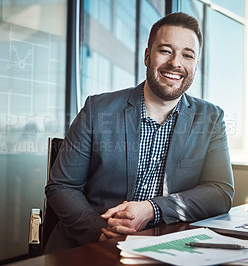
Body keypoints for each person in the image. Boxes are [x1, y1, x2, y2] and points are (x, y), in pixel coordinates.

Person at [44, 12, 234, 252]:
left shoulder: (211, 118)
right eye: (165, 50)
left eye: (187, 55)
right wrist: (100, 233)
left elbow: (220, 192)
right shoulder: (97, 109)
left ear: (195, 65)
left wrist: (152, 208)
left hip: (166, 246)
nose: (176, 62)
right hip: (89, 246)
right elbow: (61, 186)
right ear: (147, 56)